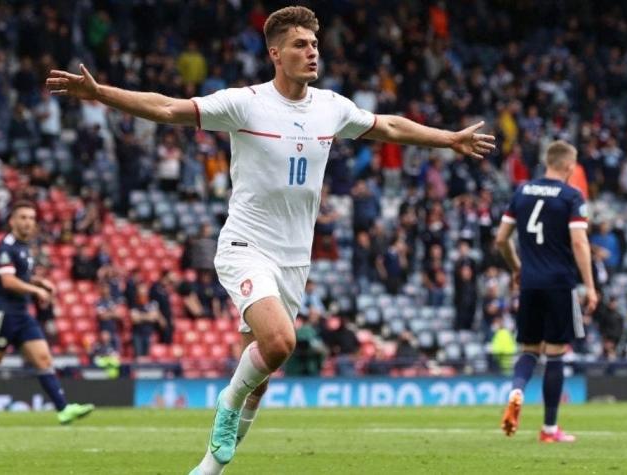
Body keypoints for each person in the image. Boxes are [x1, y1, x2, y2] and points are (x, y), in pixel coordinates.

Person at [46, 6, 494, 473]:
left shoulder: (331, 106)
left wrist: (448, 139)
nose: (312, 51)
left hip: (295, 259)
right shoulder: (246, 103)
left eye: (315, 44)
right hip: (246, 246)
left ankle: (207, 469)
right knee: (280, 343)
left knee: (260, 377)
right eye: (301, 44)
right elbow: (167, 108)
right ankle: (226, 401)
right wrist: (100, 94)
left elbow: (391, 126)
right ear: (275, 53)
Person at [495, 140, 598, 443]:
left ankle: (516, 389)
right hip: (559, 283)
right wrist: (590, 286)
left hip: (529, 283)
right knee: (555, 355)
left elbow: (501, 240)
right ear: (569, 166)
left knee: (529, 350)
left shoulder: (522, 192)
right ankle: (549, 430)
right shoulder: (571, 196)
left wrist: (516, 268)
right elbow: (579, 243)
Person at [0, 201, 94, 428]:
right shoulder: (7, 246)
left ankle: (63, 410)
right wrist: (37, 290)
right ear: (12, 221)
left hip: (23, 313)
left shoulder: (25, 247)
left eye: (31, 218)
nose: (27, 222)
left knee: (43, 358)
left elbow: (20, 276)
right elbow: (8, 281)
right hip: (4, 313)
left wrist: (38, 281)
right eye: (23, 217)